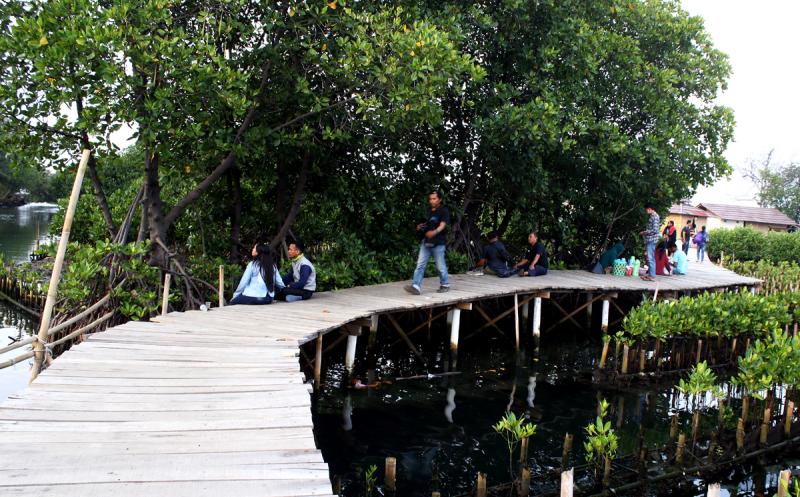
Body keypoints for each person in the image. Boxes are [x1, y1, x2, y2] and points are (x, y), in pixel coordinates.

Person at [404, 191, 451, 295]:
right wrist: (420, 227)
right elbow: (426, 223)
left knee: (440, 266)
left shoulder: (443, 211)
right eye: (430, 199)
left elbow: (442, 225)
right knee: (420, 265)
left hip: (438, 243)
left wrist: (434, 232)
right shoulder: (428, 211)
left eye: (434, 199)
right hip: (426, 242)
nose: (432, 201)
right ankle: (416, 286)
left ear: (439, 199)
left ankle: (445, 284)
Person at [639, 203, 660, 281]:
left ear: (650, 209)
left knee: (650, 258)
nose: (646, 211)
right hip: (650, 239)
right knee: (650, 258)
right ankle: (650, 275)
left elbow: (655, 230)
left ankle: (652, 276)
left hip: (652, 239)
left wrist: (644, 232)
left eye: (646, 210)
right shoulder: (652, 216)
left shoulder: (655, 216)